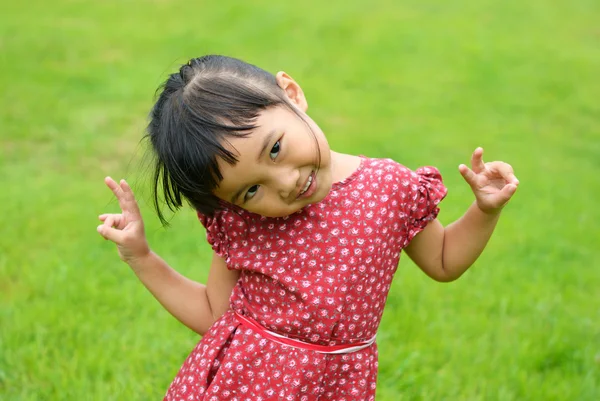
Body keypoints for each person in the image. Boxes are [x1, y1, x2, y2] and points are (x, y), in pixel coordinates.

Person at [97, 55, 519, 401]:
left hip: (339, 386)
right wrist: (141, 256)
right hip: (243, 385)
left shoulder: (390, 188)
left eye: (275, 149)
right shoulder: (245, 221)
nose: (284, 184)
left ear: (292, 95)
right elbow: (214, 314)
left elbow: (444, 260)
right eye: (250, 190)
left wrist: (484, 211)